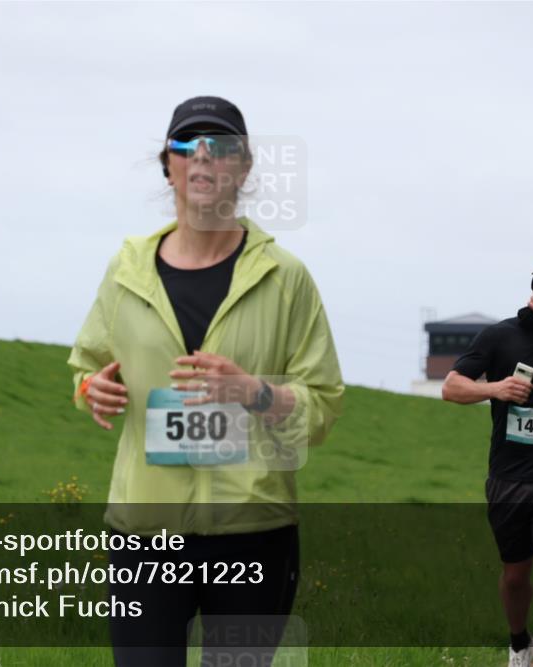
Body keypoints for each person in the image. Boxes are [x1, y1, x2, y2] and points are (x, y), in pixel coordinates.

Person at [68, 95, 344, 667]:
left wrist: (256, 392)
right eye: (185, 147)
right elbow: (87, 362)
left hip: (253, 531)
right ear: (166, 165)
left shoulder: (285, 278)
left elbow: (321, 404)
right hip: (145, 533)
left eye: (220, 149)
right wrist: (90, 388)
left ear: (243, 169)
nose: (201, 160)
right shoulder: (126, 272)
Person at [442, 263, 533, 667]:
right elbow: (451, 387)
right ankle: (518, 639)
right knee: (515, 572)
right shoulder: (499, 336)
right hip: (510, 475)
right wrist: (496, 388)